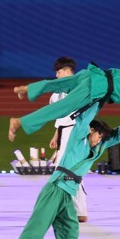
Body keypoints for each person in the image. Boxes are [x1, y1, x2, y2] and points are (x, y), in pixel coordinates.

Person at [10, 104, 120, 239]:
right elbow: (83, 119)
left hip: (68, 192)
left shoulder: (97, 148)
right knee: (37, 226)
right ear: (90, 130)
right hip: (55, 188)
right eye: (98, 135)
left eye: (102, 137)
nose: (99, 139)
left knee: (70, 229)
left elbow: (119, 134)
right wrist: (98, 99)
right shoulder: (78, 139)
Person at [8, 62, 120, 142]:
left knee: (60, 84)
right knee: (62, 108)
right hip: (97, 87)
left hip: (92, 74)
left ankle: (27, 89)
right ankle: (20, 122)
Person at [49, 57, 88, 223]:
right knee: (69, 170)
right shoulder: (55, 94)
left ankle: (69, 209)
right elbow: (59, 116)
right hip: (64, 132)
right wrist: (56, 135)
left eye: (58, 72)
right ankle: (79, 211)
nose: (56, 76)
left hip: (76, 132)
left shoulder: (80, 87)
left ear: (66, 70)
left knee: (64, 170)